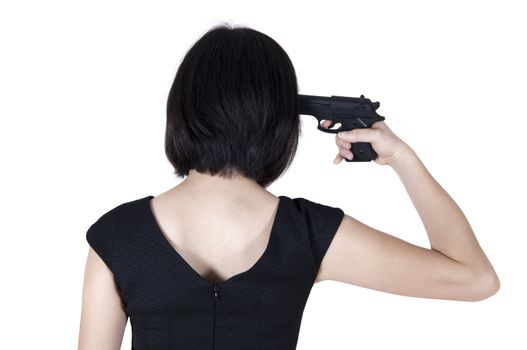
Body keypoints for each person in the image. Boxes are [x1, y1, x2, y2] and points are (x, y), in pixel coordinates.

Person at [78, 23, 500, 350]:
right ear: (280, 121)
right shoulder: (309, 234)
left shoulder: (117, 235)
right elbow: (475, 279)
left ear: (181, 110)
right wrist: (402, 158)